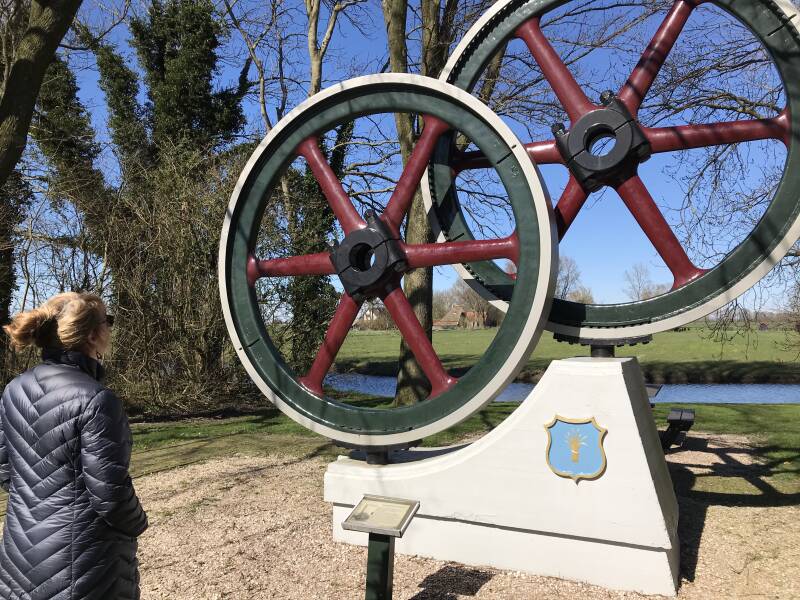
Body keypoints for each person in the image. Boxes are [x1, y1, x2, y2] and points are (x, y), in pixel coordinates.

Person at [0, 292, 147, 600]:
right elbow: (110, 496)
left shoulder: (13, 390)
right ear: (93, 334)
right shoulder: (96, 400)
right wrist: (138, 522)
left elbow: (6, 472)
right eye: (108, 321)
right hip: (84, 567)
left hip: (19, 559)